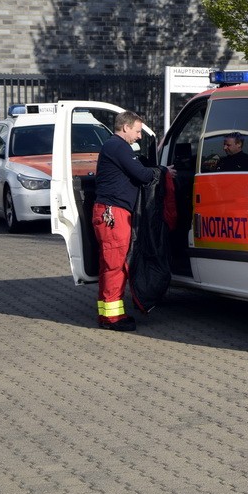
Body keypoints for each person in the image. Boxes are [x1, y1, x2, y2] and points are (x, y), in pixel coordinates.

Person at [93, 111, 174, 331]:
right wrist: (163, 171)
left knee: (108, 266)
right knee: (115, 266)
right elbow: (142, 175)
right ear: (126, 127)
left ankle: (107, 313)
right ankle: (112, 319)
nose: (139, 136)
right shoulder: (118, 146)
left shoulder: (113, 146)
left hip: (108, 212)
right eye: (138, 131)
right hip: (114, 214)